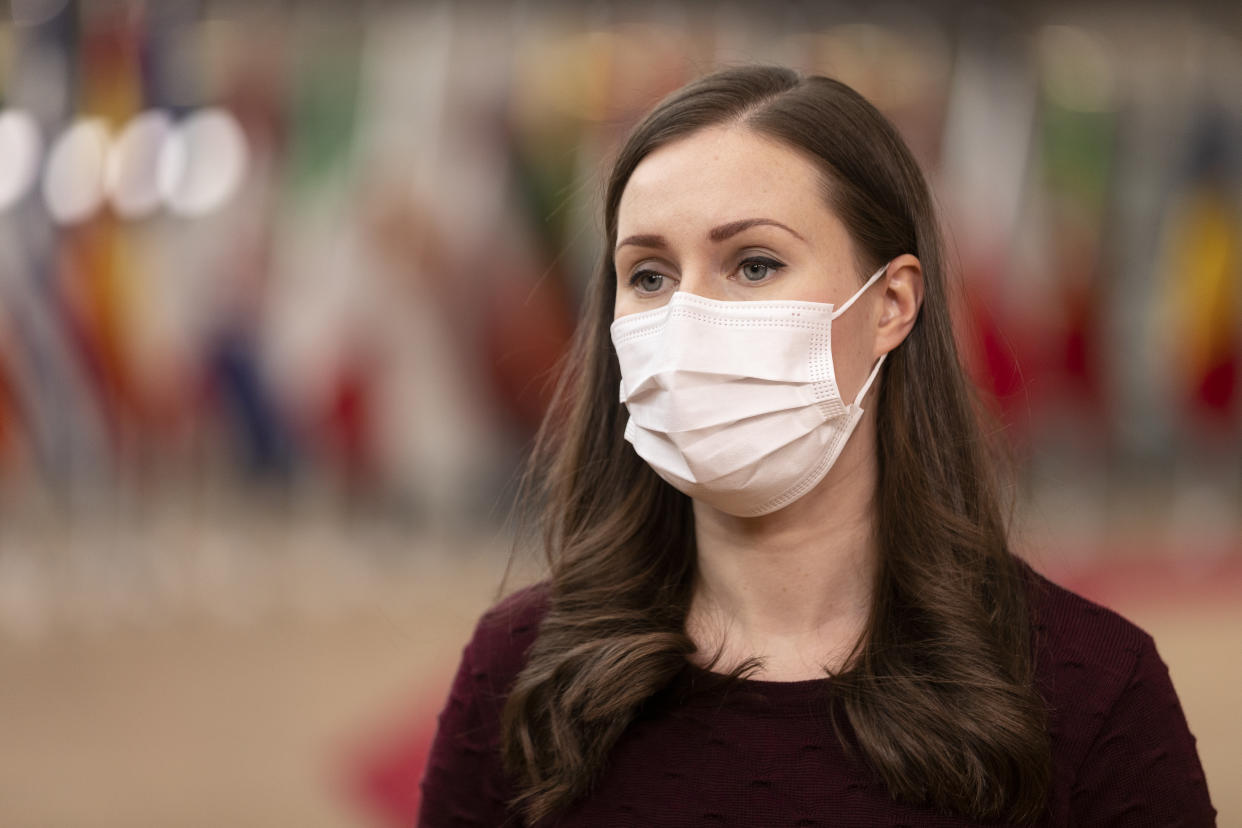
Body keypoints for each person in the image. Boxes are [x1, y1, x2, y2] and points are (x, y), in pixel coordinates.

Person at [418, 66, 1216, 827]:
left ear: (891, 305)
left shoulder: (1090, 690)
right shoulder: (521, 674)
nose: (689, 320)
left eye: (754, 264)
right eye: (650, 276)